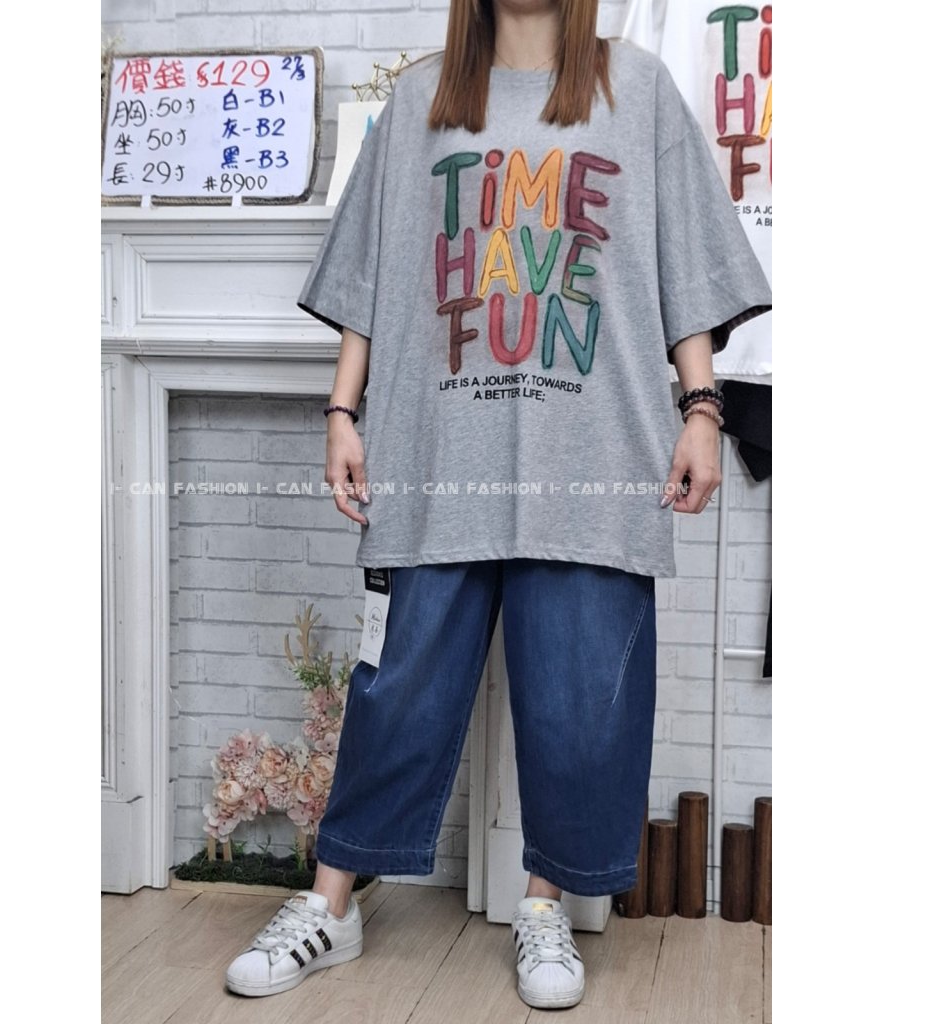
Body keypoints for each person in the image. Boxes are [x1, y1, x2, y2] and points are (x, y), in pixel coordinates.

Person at [225, 0, 771, 1010]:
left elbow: (684, 258)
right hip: (437, 450)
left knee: (578, 703)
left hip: (591, 450)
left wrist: (702, 408)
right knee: (397, 685)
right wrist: (342, 411)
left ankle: (542, 904)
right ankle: (331, 904)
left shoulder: (637, 90)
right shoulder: (421, 100)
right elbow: (371, 271)